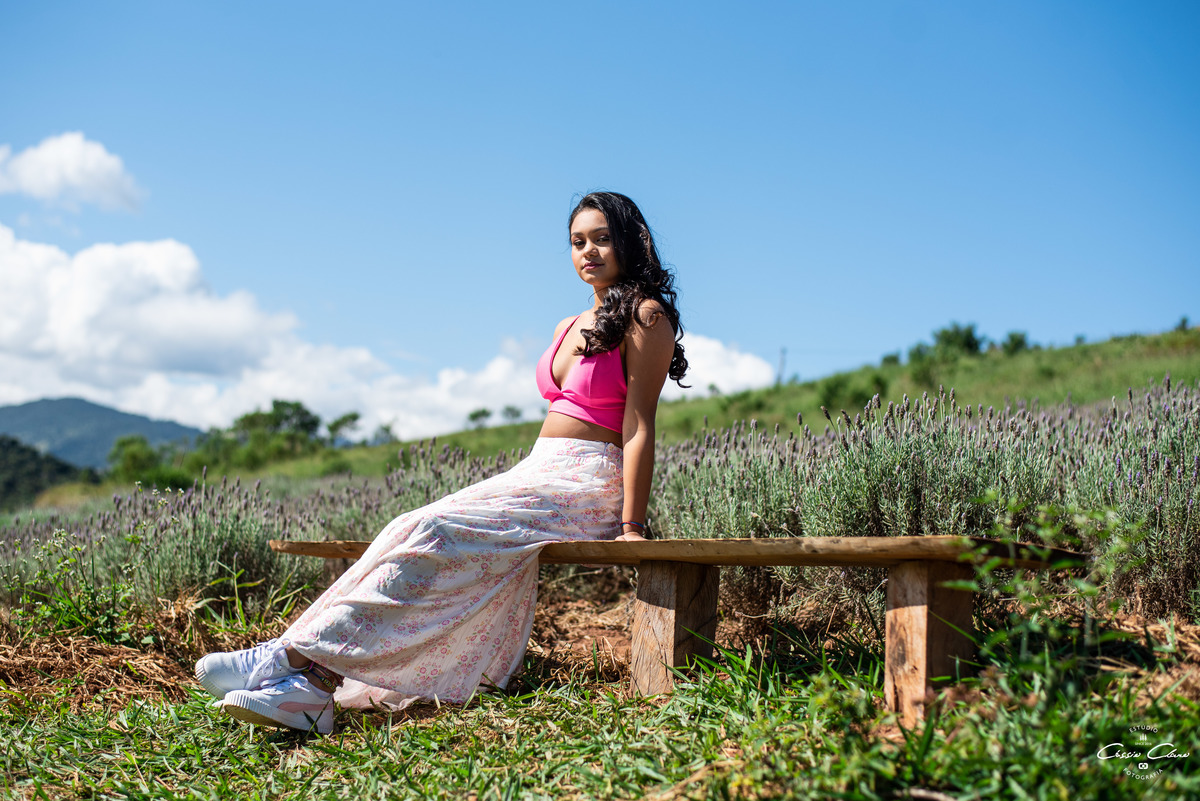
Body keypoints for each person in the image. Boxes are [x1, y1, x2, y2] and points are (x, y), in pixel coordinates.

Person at [194, 191, 688, 733]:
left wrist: (631, 525)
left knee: (433, 528)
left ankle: (291, 662)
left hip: (588, 481)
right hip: (540, 468)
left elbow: (639, 425)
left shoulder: (645, 317)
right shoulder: (566, 326)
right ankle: (306, 679)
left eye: (602, 239)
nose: (587, 251)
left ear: (628, 242)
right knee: (409, 525)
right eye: (577, 241)